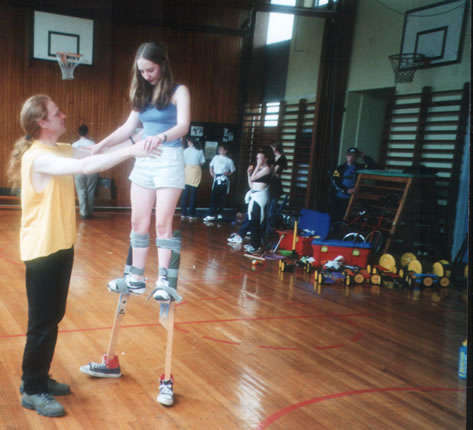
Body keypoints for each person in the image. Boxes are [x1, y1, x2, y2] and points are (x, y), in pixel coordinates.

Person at [6, 95, 153, 418]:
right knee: (42, 323)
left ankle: (39, 376)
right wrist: (133, 150)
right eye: (57, 113)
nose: (64, 114)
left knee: (53, 316)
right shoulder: (37, 157)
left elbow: (94, 151)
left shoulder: (58, 148)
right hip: (42, 250)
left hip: (61, 246)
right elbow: (87, 166)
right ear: (42, 123)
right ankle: (31, 388)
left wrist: (134, 133)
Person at [82, 42, 190, 406]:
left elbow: (184, 124)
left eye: (151, 69)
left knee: (163, 224)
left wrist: (160, 135)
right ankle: (138, 276)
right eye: (142, 70)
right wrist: (99, 147)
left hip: (170, 159)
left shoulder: (178, 91)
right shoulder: (140, 94)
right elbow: (128, 128)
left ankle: (162, 281)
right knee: (138, 220)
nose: (146, 75)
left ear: (162, 64)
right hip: (143, 162)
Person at [228, 146, 273, 254]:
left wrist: (257, 166)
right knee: (252, 220)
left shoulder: (267, 168)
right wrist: (248, 173)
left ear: (266, 159)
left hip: (260, 197)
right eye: (257, 158)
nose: (258, 160)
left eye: (260, 158)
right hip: (254, 194)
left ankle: (256, 245)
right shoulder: (259, 170)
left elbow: (254, 178)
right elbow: (251, 184)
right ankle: (254, 243)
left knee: (256, 221)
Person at [329, 147, 377, 224]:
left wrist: (364, 156)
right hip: (340, 198)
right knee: (336, 218)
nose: (351, 157)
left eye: (354, 156)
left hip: (352, 198)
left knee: (348, 219)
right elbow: (335, 182)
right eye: (349, 155)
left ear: (357, 157)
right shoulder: (340, 168)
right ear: (346, 156)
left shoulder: (359, 167)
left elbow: (373, 166)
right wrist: (346, 190)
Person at [72, 124, 99, 219]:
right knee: (90, 191)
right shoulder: (93, 143)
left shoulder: (74, 145)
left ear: (79, 133)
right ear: (87, 132)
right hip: (91, 169)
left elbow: (73, 159)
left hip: (79, 169)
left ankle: (83, 212)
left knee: (81, 190)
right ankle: (90, 212)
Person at [203, 142, 235, 222]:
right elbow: (211, 165)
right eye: (219, 149)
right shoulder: (216, 157)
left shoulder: (229, 160)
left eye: (222, 149)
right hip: (217, 178)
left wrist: (228, 173)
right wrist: (211, 173)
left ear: (225, 151)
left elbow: (233, 170)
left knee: (222, 198)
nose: (220, 150)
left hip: (224, 179)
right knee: (214, 197)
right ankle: (211, 214)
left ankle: (220, 213)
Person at [180, 135, 205, 220]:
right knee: (193, 193)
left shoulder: (185, 151)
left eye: (188, 141)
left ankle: (183, 213)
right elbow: (202, 163)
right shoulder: (200, 151)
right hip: (195, 171)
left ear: (190, 142)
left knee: (185, 193)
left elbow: (182, 162)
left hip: (186, 171)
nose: (187, 142)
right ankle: (191, 214)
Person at [266, 141, 288, 236]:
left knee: (271, 210)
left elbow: (274, 172)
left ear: (276, 148)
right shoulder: (272, 158)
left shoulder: (282, 158)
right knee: (267, 208)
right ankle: (266, 228)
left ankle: (270, 229)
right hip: (270, 184)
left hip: (275, 186)